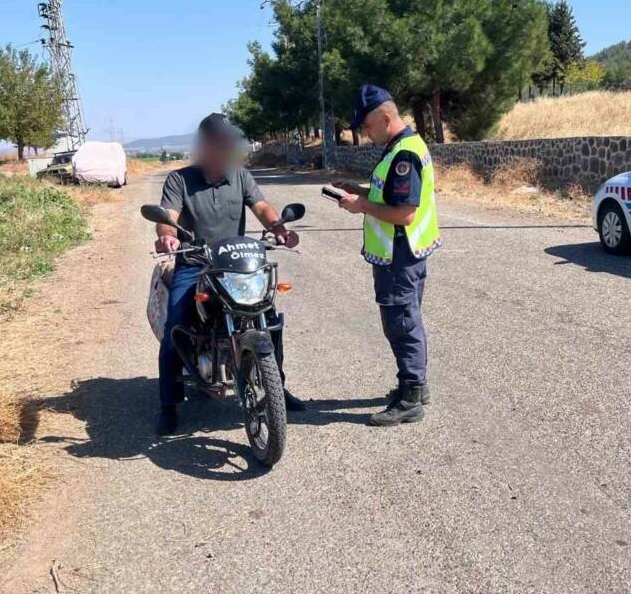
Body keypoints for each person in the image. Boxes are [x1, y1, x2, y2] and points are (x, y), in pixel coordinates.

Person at [154, 113, 304, 435]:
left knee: (270, 319)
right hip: (195, 264)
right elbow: (168, 216)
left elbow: (261, 207)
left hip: (234, 263)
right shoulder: (180, 180)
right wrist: (168, 234)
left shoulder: (240, 176)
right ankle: (168, 404)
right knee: (175, 327)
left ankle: (276, 385)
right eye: (220, 146)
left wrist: (277, 227)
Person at [331, 85, 441, 426]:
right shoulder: (402, 146)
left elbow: (404, 212)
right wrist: (361, 192)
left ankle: (410, 398)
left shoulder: (404, 154)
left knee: (401, 324)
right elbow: (390, 194)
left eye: (366, 125)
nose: (364, 132)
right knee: (408, 319)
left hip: (399, 255)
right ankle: (415, 386)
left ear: (386, 117)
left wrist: (361, 206)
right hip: (405, 253)